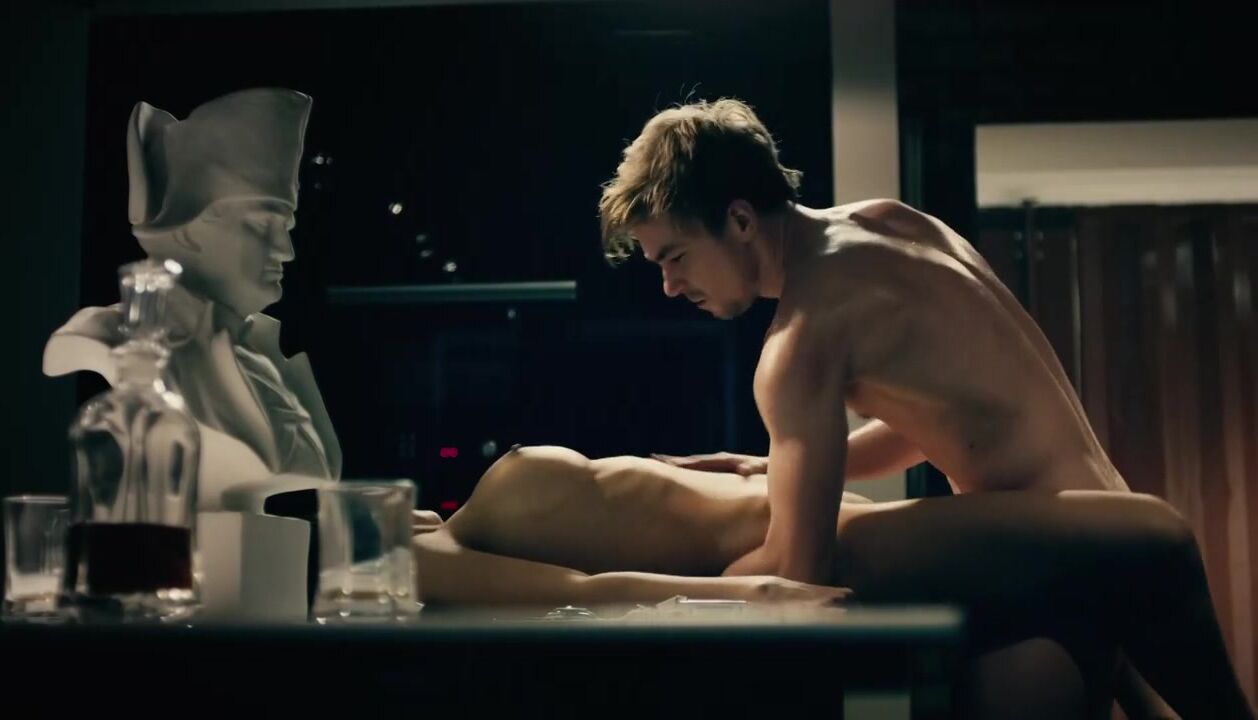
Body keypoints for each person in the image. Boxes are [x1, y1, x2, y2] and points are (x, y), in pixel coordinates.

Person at [593, 98, 1253, 719]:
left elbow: (801, 573)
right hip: (1096, 531)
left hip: (1046, 563)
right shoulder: (891, 222)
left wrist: (633, 591)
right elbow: (950, 421)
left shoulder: (802, 338)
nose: (670, 285)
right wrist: (778, 466)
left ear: (740, 221)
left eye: (675, 256)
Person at [413, 445, 1224, 719]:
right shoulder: (425, 557)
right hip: (839, 559)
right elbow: (584, 597)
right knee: (1149, 537)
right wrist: (750, 598)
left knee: (1088, 602)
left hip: (839, 535)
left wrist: (749, 467)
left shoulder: (459, 518)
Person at [43, 88, 340, 508]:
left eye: (286, 227)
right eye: (262, 224)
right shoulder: (108, 332)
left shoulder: (264, 352)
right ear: (188, 232)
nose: (285, 250)